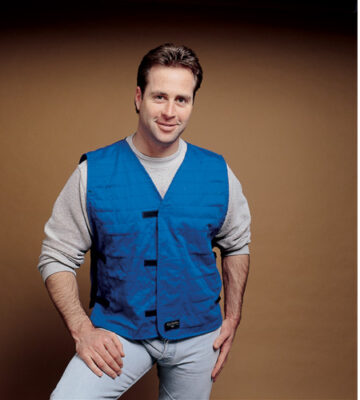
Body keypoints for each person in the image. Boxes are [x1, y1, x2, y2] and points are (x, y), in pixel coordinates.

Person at [38, 43, 251, 400]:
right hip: (120, 333)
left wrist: (232, 318)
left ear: (192, 104)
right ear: (139, 98)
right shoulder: (93, 172)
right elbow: (55, 255)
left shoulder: (219, 172)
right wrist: (81, 329)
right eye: (159, 97)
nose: (169, 111)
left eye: (181, 100)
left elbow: (237, 245)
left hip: (199, 336)